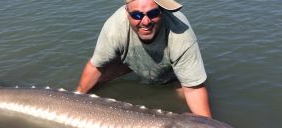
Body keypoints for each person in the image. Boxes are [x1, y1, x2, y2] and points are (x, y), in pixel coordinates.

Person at [76, 0, 212, 118]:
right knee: (96, 82)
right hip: (129, 63)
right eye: (137, 15)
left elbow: (194, 89)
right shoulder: (114, 27)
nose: (146, 22)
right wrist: (77, 97)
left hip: (170, 73)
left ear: (162, 11)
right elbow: (96, 66)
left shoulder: (181, 35)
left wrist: (208, 125)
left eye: (153, 13)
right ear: (126, 12)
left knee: (183, 98)